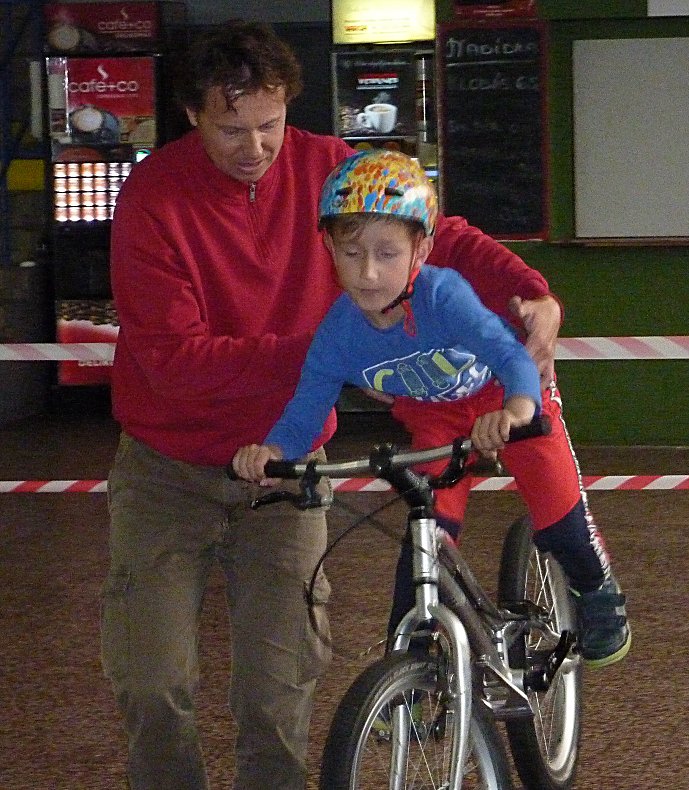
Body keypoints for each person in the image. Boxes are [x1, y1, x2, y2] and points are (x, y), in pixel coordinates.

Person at [101, 19, 592, 790]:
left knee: (279, 688)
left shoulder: (330, 167)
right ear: (191, 115)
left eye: (270, 124)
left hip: (289, 467)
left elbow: (440, 234)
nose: (256, 147)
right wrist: (336, 351)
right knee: (152, 681)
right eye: (232, 129)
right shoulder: (153, 199)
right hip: (170, 470)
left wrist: (529, 290)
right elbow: (172, 363)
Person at [233, 149, 631, 675]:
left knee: (559, 520)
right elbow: (306, 409)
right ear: (327, 246)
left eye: (387, 253)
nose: (369, 274)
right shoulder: (337, 333)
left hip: (503, 398)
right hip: (435, 423)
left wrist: (515, 410)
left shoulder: (445, 297)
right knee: (424, 546)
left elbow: (513, 357)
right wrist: (274, 452)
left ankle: (597, 588)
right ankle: (412, 665)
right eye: (351, 254)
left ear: (420, 250)